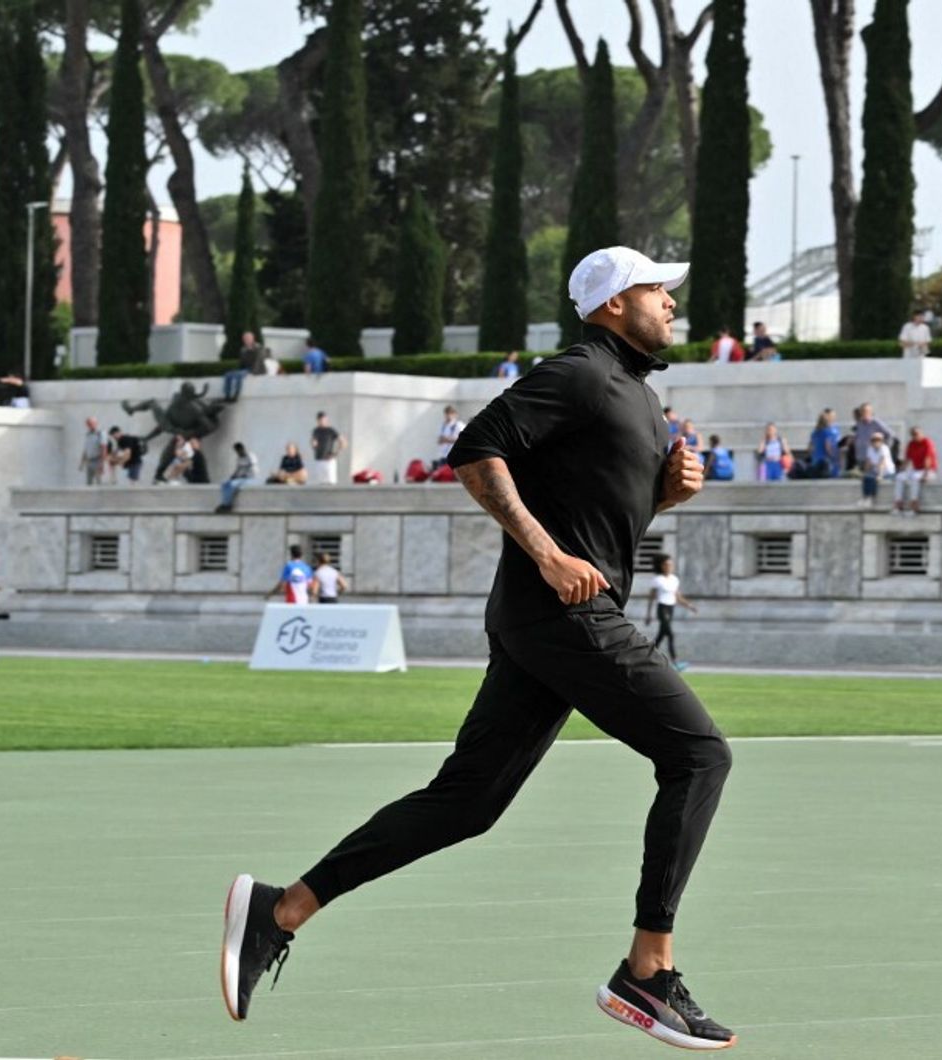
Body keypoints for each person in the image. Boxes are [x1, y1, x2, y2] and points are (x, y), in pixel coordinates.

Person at [221, 245, 736, 1050]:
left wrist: (661, 497)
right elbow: (473, 449)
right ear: (610, 304)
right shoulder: (583, 372)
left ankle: (280, 909)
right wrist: (545, 554)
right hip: (564, 617)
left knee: (468, 802)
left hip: (544, 621)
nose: (670, 301)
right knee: (700, 755)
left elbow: (597, 525)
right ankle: (648, 971)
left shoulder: (634, 393)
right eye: (654, 290)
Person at [646, 554, 698, 668]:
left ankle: (647, 657)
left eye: (670, 564)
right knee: (670, 634)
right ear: (662, 566)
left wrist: (689, 605)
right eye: (666, 565)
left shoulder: (674, 579)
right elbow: (651, 598)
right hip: (662, 608)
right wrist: (648, 614)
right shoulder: (657, 580)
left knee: (661, 635)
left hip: (670, 608)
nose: (669, 567)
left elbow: (677, 597)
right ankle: (675, 662)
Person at [892, 426, 937, 516]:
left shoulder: (927, 442)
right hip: (916, 470)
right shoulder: (911, 444)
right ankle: (898, 505)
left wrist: (926, 474)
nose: (914, 436)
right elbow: (907, 460)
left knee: (915, 478)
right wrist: (900, 471)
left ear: (921, 433)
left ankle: (914, 506)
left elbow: (928, 459)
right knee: (899, 477)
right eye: (912, 434)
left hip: (929, 470)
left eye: (916, 434)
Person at [852, 403, 896, 471]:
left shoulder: (875, 422)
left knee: (872, 478)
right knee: (863, 479)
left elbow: (890, 434)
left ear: (870, 412)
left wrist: (884, 448)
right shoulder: (859, 423)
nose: (864, 413)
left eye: (866, 411)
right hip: (861, 456)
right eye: (862, 411)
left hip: (872, 459)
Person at [216, 442, 259, 512]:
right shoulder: (239, 458)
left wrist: (244, 475)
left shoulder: (251, 456)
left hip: (249, 478)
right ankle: (224, 502)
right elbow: (238, 469)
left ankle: (227, 505)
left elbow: (254, 469)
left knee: (232, 485)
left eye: (238, 451)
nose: (238, 453)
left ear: (242, 449)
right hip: (240, 479)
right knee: (225, 484)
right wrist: (233, 476)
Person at [857, 430, 895, 508]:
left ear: (882, 441)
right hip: (876, 471)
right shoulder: (870, 449)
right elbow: (868, 463)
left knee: (874, 479)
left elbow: (882, 463)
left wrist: (880, 475)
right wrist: (864, 473)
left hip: (887, 472)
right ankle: (865, 498)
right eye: (874, 440)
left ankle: (871, 499)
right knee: (867, 478)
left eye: (878, 440)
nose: (876, 442)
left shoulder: (884, 448)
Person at [310, 412, 344, 484]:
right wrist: (313, 444)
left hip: (329, 461)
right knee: (320, 483)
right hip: (318, 460)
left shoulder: (331, 430)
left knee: (331, 482)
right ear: (317, 421)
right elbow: (313, 442)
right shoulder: (316, 430)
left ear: (326, 420)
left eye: (323, 419)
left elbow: (343, 442)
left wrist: (335, 454)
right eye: (320, 420)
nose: (321, 421)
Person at [809, 408, 841, 478]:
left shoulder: (815, 432)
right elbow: (828, 448)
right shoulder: (827, 432)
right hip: (827, 462)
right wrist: (835, 457)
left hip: (816, 461)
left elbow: (810, 448)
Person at [78, 417, 107, 485]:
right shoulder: (88, 435)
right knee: (89, 483)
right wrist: (82, 463)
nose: (90, 425)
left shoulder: (101, 433)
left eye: (92, 423)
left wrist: (102, 464)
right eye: (88, 424)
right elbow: (86, 449)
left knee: (99, 482)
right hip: (89, 461)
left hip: (97, 460)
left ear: (96, 424)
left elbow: (103, 448)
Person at [434, 405, 464, 469]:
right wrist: (444, 440)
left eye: (450, 414)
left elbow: (463, 440)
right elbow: (439, 440)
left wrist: (447, 439)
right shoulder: (443, 426)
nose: (448, 416)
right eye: (446, 414)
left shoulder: (459, 425)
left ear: (455, 414)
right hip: (443, 456)